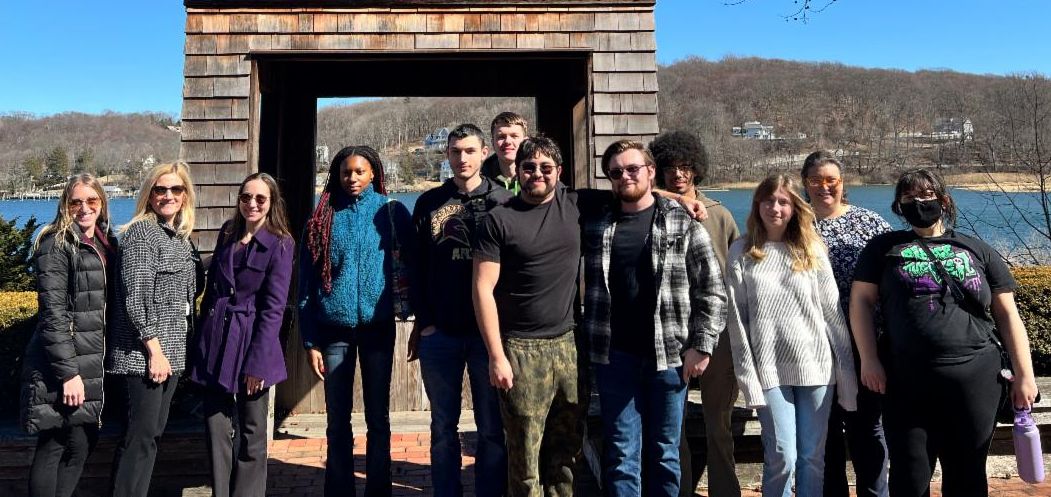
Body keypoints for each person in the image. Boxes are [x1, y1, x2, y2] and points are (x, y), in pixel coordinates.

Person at [850, 169, 1039, 497]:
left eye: (927, 196)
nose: (919, 203)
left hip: (975, 379)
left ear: (944, 201)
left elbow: (1008, 315)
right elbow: (861, 304)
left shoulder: (977, 249)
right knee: (909, 477)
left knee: (967, 475)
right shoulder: (883, 249)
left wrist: (1025, 375)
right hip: (906, 380)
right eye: (909, 198)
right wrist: (869, 359)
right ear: (898, 206)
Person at [583, 139, 728, 497]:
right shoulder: (598, 221)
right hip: (614, 357)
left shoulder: (683, 221)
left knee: (665, 454)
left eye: (633, 169)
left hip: (670, 356)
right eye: (616, 172)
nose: (624, 177)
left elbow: (711, 289)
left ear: (650, 172)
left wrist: (701, 345)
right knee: (620, 453)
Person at [724, 174, 857, 497]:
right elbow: (737, 323)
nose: (775, 208)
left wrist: (847, 374)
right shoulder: (742, 250)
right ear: (757, 205)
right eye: (768, 200)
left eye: (783, 201)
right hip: (769, 370)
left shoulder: (811, 249)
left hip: (816, 368)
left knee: (812, 457)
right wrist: (748, 379)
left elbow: (832, 316)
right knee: (782, 456)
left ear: (795, 206)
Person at [473, 136, 591, 497]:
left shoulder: (576, 204)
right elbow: (482, 290)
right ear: (517, 171)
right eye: (529, 167)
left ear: (559, 171)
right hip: (521, 350)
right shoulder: (497, 219)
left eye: (545, 167)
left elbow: (637, 190)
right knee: (525, 456)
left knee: (567, 451)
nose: (536, 173)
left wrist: (685, 201)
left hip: (570, 345)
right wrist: (497, 357)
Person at [298, 145, 415, 497]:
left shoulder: (392, 213)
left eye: (360, 172)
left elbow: (415, 265)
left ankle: (379, 490)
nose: (352, 178)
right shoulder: (321, 218)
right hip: (333, 331)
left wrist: (420, 318)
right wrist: (310, 340)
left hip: (378, 327)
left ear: (373, 174)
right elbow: (307, 283)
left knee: (378, 418)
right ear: (337, 174)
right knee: (337, 420)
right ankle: (338, 490)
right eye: (346, 172)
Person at [408, 123, 511, 497]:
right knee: (442, 427)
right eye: (455, 151)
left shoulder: (504, 202)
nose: (462, 158)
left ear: (485, 153)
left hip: (490, 338)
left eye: (469, 150)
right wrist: (427, 322)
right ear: (447, 154)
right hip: (442, 334)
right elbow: (413, 268)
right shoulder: (429, 203)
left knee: (491, 428)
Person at [188, 172, 295, 497]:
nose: (251, 203)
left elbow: (274, 308)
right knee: (215, 425)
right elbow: (212, 293)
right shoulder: (228, 233)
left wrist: (258, 364)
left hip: (251, 341)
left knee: (251, 430)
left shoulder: (280, 243)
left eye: (260, 198)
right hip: (216, 340)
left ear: (271, 202)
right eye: (246, 197)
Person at [649, 130, 741, 497]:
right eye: (670, 167)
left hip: (717, 333)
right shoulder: (651, 210)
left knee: (719, 422)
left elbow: (739, 272)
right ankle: (680, 489)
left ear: (697, 169)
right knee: (673, 427)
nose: (679, 174)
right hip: (669, 332)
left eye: (686, 167)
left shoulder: (719, 214)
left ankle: (725, 490)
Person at [798, 151, 892, 497]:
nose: (824, 187)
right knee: (824, 433)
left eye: (831, 180)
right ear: (804, 183)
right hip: (811, 344)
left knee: (867, 427)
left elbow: (893, 280)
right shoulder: (793, 225)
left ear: (842, 183)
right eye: (815, 180)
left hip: (864, 342)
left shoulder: (870, 224)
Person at [20, 174, 117, 497]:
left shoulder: (104, 242)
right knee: (57, 442)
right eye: (76, 202)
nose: (84, 208)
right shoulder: (55, 243)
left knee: (81, 441)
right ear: (65, 205)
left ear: (102, 203)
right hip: (62, 365)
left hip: (91, 361)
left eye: (92, 201)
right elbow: (53, 313)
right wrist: (68, 374)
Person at [107, 162, 199, 497]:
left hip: (171, 355)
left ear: (185, 195)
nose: (168, 196)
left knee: (152, 436)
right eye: (161, 189)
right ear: (149, 194)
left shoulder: (179, 238)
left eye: (176, 189)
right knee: (139, 438)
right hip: (143, 356)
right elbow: (136, 297)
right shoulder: (142, 234)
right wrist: (154, 351)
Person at [480, 111, 528, 194]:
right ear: (493, 143)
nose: (508, 141)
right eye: (501, 137)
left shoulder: (538, 177)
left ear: (525, 141)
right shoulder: (479, 181)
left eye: (514, 136)